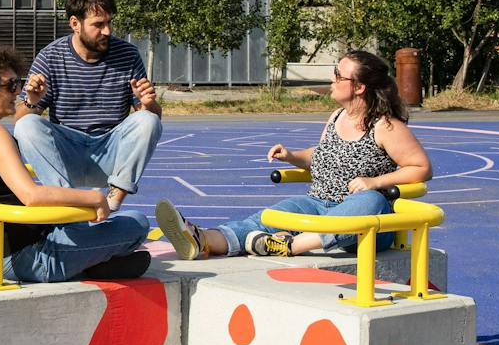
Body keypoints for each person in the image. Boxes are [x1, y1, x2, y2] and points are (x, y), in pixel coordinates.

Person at [156, 50, 432, 259]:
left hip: (367, 223)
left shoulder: (385, 126)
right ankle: (203, 240)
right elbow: (323, 155)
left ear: (359, 87)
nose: (331, 79)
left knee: (368, 202)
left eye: (339, 75)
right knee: (268, 217)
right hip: (318, 204)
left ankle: (290, 246)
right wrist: (291, 156)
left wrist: (375, 183)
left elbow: (420, 167)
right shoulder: (337, 117)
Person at [0, 40, 161, 283]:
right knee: (137, 224)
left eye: (18, 84)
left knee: (102, 231)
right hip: (31, 256)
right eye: (10, 86)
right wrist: (95, 198)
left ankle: (93, 262)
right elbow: (31, 196)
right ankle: (90, 265)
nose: (17, 93)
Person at [13, 0, 162, 214]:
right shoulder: (51, 57)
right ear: (75, 23)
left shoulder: (127, 54)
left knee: (148, 120)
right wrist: (32, 100)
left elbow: (150, 119)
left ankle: (112, 201)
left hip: (110, 153)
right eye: (98, 25)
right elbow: (19, 119)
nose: (107, 31)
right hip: (67, 155)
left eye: (109, 22)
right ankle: (67, 203)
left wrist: (148, 103)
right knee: (27, 125)